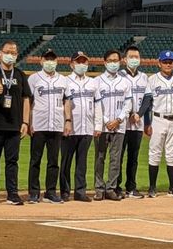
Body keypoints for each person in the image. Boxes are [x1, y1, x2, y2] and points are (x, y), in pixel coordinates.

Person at [0, 40, 32, 206]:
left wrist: (25, 121)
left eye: (14, 52)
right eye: (8, 51)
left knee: (12, 161)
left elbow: (26, 99)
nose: (11, 55)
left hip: (14, 124)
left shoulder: (19, 74)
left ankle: (12, 193)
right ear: (0, 53)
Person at [140, 50, 173, 198]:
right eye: (165, 62)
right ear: (159, 63)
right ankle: (152, 187)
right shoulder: (152, 80)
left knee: (172, 154)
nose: (168, 64)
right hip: (158, 119)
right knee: (155, 154)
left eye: (170, 61)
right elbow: (147, 103)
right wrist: (147, 123)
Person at [27, 48, 67, 203]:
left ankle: (50, 192)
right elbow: (29, 102)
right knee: (35, 160)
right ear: (41, 60)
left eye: (53, 59)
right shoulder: (33, 79)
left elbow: (66, 102)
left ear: (56, 61)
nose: (50, 62)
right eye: (47, 59)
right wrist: (29, 122)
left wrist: (67, 121)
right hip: (38, 124)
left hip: (56, 124)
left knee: (53, 161)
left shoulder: (63, 80)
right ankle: (34, 192)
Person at [92, 49, 133, 201]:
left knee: (116, 159)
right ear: (104, 62)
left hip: (119, 125)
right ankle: (98, 188)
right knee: (100, 158)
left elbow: (128, 103)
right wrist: (105, 121)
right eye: (110, 60)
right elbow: (95, 105)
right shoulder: (96, 81)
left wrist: (119, 119)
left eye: (116, 60)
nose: (113, 63)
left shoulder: (125, 82)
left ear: (120, 62)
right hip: (102, 126)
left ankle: (111, 188)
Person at [61, 51, 96, 202]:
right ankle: (64, 190)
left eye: (84, 62)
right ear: (72, 64)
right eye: (78, 61)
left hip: (87, 126)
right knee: (66, 161)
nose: (82, 64)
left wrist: (97, 124)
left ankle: (80, 191)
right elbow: (62, 103)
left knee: (82, 161)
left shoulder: (92, 82)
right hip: (70, 126)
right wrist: (65, 122)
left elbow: (97, 104)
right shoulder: (64, 81)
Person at [116, 45, 148, 199]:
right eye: (131, 57)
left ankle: (131, 187)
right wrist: (127, 113)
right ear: (124, 59)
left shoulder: (144, 77)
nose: (134, 60)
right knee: (118, 156)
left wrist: (139, 114)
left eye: (137, 57)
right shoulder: (119, 75)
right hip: (122, 124)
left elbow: (148, 98)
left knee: (133, 157)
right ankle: (116, 186)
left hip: (137, 123)